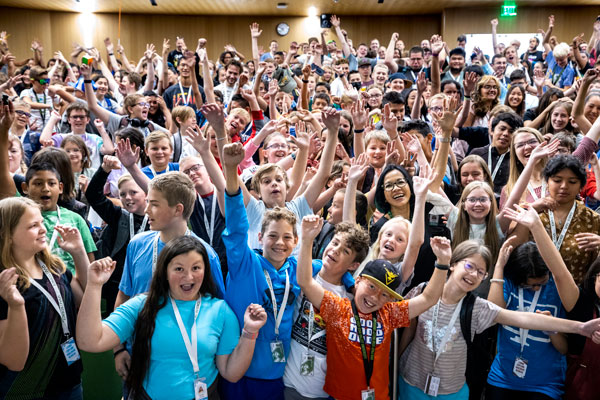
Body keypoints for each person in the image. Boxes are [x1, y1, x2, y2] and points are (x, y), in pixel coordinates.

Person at [398, 238, 600, 400]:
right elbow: (407, 328)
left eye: (480, 272)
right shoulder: (422, 292)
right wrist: (396, 362)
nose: (473, 274)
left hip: (452, 391)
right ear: (453, 264)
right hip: (410, 382)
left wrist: (580, 327)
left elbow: (526, 319)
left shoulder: (477, 308)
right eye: (469, 265)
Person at [76, 236, 268, 400]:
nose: (188, 276)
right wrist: (94, 286)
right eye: (178, 269)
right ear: (165, 272)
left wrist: (249, 332)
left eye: (196, 268)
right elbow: (90, 341)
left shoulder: (220, 310)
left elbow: (231, 373)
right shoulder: (142, 305)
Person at [298, 214, 450, 400]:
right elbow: (305, 282)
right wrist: (306, 240)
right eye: (371, 287)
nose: (375, 297)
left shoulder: (389, 314)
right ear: (359, 280)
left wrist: (442, 263)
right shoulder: (338, 307)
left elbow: (429, 298)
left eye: (385, 294)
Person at [502, 203, 600, 400]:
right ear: (596, 275)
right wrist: (536, 227)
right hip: (581, 390)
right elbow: (559, 272)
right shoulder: (582, 305)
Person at [0, 197, 91, 399]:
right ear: (8, 235)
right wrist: (16, 307)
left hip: (69, 382)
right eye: (33, 225)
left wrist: (78, 252)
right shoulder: (4, 282)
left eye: (41, 222)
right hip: (25, 389)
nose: (43, 229)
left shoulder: (53, 267)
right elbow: (13, 361)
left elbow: (84, 298)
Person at [282, 222, 369, 400]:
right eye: (335, 242)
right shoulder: (302, 272)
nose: (336, 250)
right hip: (286, 380)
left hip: (320, 390)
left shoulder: (349, 299)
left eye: (346, 251)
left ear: (353, 266)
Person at [21, 162, 97, 274]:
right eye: (38, 184)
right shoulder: (20, 219)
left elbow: (90, 261)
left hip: (71, 288)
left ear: (60, 188)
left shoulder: (76, 219)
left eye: (51, 183)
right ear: (25, 188)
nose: (45, 189)